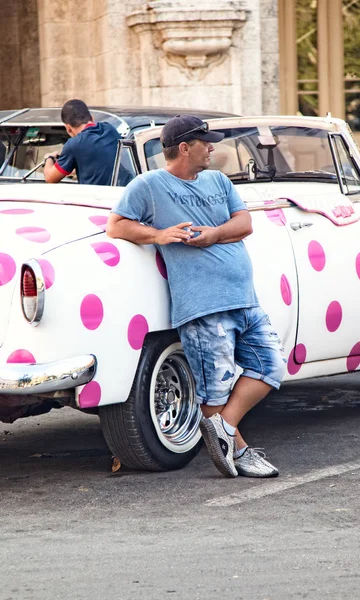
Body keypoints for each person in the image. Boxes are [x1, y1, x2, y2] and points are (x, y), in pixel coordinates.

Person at [107, 115, 287, 478]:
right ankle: (240, 452)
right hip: (203, 305)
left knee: (270, 369)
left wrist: (215, 234)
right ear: (184, 148)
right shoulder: (149, 184)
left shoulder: (218, 180)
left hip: (244, 298)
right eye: (205, 142)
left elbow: (245, 223)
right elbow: (117, 225)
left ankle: (224, 431)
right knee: (215, 390)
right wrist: (158, 235)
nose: (212, 147)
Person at [43, 99, 121, 185]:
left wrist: (49, 158)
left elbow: (50, 178)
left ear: (68, 128)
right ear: (91, 118)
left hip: (96, 197)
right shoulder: (109, 129)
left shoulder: (74, 144)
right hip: (121, 193)